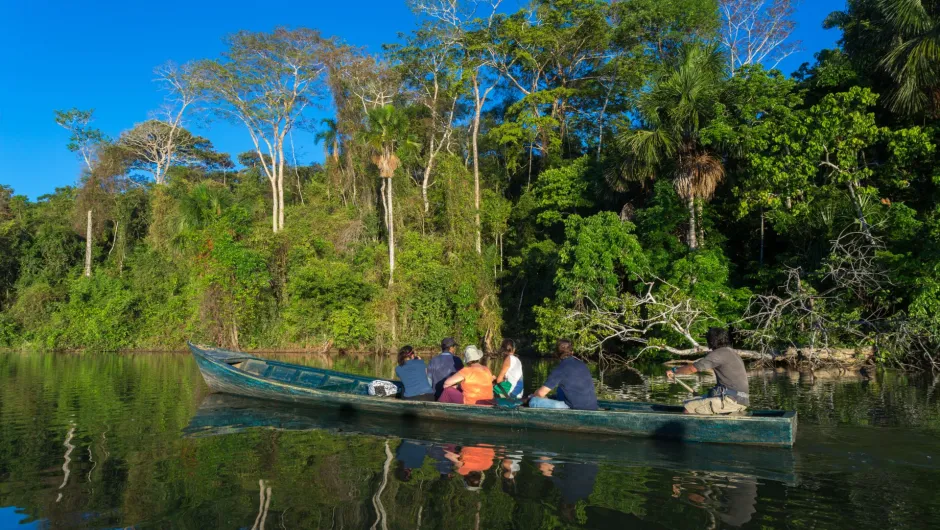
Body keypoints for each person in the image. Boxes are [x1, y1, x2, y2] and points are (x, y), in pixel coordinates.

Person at [667, 327, 749, 415]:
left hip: (731, 401)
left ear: (711, 341)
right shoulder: (732, 353)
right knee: (691, 401)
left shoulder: (718, 354)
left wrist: (674, 370)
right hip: (741, 400)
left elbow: (691, 369)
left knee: (689, 408)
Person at [527, 339, 598, 410]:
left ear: (556, 354)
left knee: (534, 401)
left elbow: (540, 393)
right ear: (572, 352)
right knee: (558, 391)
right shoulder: (582, 364)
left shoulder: (560, 369)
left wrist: (534, 395)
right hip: (592, 406)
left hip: (574, 407)